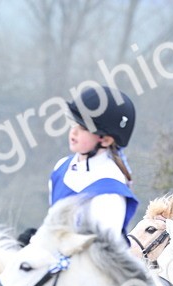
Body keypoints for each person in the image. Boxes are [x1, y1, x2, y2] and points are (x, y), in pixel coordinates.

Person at [49, 86, 139, 237]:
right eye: (74, 122)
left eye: (84, 128)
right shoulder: (61, 168)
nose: (74, 131)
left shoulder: (110, 191)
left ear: (106, 140)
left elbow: (102, 253)